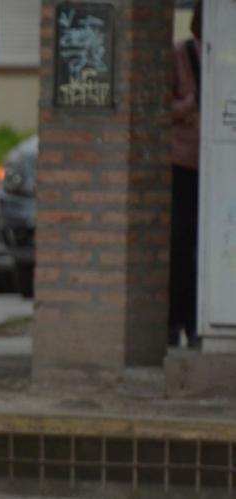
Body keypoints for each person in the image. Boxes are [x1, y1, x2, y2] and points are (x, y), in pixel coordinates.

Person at [169, 0, 202, 348]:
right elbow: (160, 107)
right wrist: (188, 106)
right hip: (183, 163)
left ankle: (195, 322)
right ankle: (176, 320)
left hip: (215, 167)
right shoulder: (179, 55)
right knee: (181, 243)